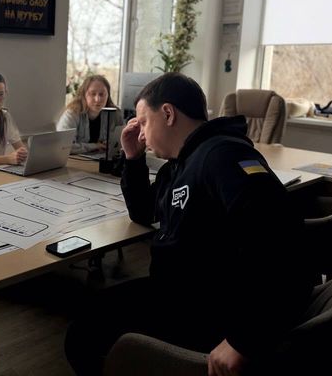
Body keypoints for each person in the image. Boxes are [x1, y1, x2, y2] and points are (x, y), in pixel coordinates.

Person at [64, 73, 313, 376]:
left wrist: (244, 340)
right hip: (179, 294)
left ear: (168, 114)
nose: (141, 134)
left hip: (207, 309)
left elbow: (286, 243)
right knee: (86, 324)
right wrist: (133, 159)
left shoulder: (223, 155)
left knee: (83, 337)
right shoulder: (181, 164)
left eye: (144, 122)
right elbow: (143, 211)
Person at [56, 75, 124, 154]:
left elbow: (123, 142)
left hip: (101, 158)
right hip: (76, 160)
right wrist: (95, 146)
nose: (97, 99)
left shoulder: (115, 114)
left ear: (108, 95)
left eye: (102, 94)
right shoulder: (72, 114)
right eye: (93, 94)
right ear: (84, 95)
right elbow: (64, 146)